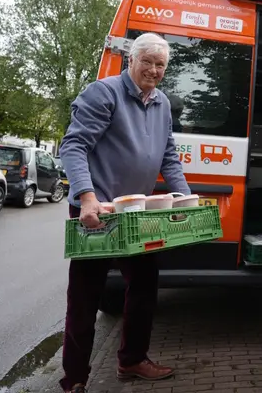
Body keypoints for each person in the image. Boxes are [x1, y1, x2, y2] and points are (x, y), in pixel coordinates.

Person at [58, 33, 191, 393]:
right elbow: (73, 146)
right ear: (130, 60)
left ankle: (131, 360)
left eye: (160, 64)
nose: (153, 69)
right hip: (97, 211)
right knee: (86, 297)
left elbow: (168, 156)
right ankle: (74, 378)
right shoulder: (104, 92)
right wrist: (85, 197)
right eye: (146, 61)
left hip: (136, 213)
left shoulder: (162, 102)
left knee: (145, 287)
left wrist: (186, 199)